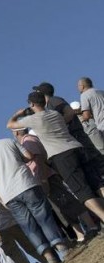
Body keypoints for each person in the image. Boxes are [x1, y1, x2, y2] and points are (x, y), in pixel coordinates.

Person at [0, 124, 68, 263]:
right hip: (25, 183)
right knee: (43, 217)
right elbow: (28, 156)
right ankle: (62, 247)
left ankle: (49, 257)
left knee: (28, 226)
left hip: (8, 195)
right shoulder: (8, 142)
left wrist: (0, 199)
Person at [8, 92, 104, 222]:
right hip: (77, 147)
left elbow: (10, 125)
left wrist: (17, 114)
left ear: (31, 104)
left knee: (82, 191)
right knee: (97, 183)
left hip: (61, 155)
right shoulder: (55, 114)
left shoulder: (34, 119)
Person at [12, 127, 100, 243]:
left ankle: (91, 225)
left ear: (16, 132)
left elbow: (39, 160)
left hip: (47, 177)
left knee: (67, 201)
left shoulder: (28, 141)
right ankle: (80, 234)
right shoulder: (27, 141)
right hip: (45, 177)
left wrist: (44, 180)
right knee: (62, 207)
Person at [32, 82, 104, 193]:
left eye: (37, 92)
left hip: (77, 137)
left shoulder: (54, 101)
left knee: (96, 169)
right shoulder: (50, 105)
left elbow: (69, 113)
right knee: (92, 177)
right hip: (74, 139)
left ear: (42, 93)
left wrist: (58, 126)